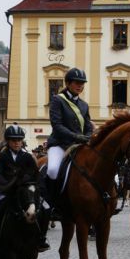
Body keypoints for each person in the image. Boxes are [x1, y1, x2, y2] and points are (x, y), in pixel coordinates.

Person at [0, 124, 41, 252]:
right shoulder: (1, 156)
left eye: (19, 140)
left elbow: (33, 172)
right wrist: (6, 184)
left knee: (43, 206)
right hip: (5, 189)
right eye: (14, 141)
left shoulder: (27, 157)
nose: (17, 143)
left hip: (24, 189)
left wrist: (25, 181)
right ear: (8, 141)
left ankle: (41, 238)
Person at [42, 67, 93, 200]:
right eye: (77, 83)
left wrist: (88, 136)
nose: (80, 86)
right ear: (68, 83)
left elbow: (88, 125)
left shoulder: (84, 105)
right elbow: (57, 125)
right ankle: (50, 202)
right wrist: (76, 136)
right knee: (53, 170)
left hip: (79, 145)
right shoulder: (57, 100)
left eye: (82, 83)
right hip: (59, 144)